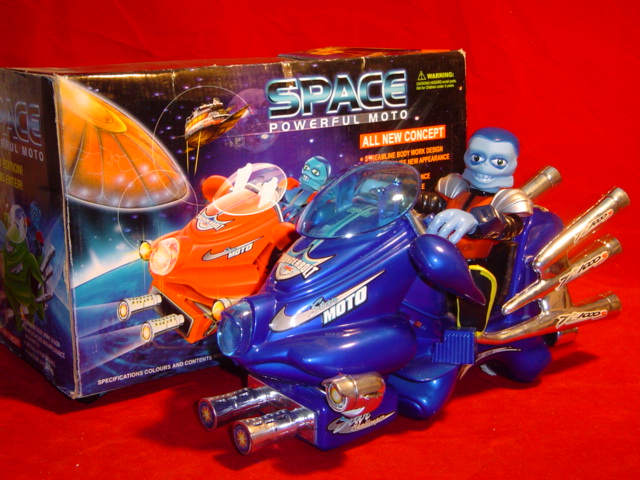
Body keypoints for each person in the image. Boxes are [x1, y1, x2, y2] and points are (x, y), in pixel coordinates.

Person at [420, 127, 533, 330]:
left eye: (498, 162)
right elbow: (434, 203)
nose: (484, 167)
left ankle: (469, 334)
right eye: (477, 158)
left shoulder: (505, 200)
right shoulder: (455, 188)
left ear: (513, 163)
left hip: (474, 266)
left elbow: (510, 226)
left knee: (474, 290)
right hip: (436, 257)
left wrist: (477, 223)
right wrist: (405, 197)